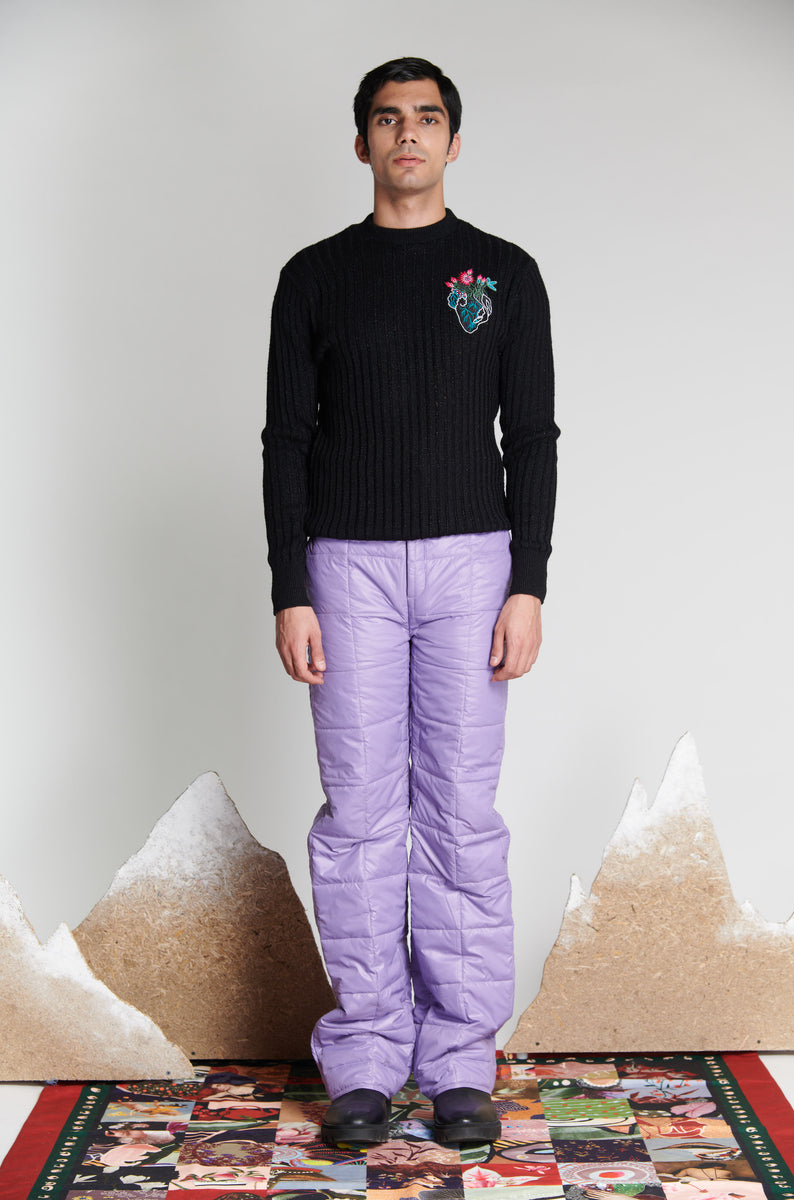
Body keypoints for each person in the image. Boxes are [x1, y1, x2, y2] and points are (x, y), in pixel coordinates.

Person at [262, 56, 558, 1146]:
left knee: (460, 814)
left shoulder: (503, 274)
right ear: (361, 144)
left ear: (453, 141)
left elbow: (531, 439)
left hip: (473, 567)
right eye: (386, 119)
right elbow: (285, 440)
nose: (407, 134)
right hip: (345, 569)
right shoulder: (313, 277)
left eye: (426, 118)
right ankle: (365, 1053)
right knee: (358, 817)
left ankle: (459, 1060)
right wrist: (290, 588)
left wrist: (527, 582)